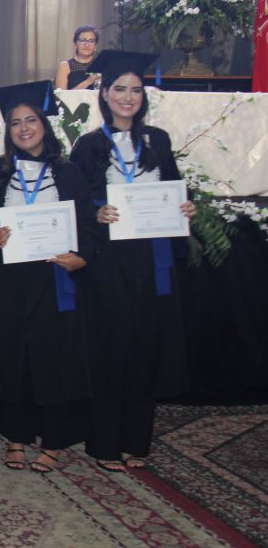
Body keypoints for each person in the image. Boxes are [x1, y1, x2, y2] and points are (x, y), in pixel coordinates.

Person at [68, 52, 195, 472]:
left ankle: (135, 440)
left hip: (151, 257)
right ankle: (105, 443)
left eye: (136, 90)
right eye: (119, 89)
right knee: (111, 347)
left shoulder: (158, 140)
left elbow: (174, 187)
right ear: (104, 94)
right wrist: (96, 211)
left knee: (145, 347)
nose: (128, 97)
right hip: (109, 260)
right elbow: (76, 201)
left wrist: (186, 206)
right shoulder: (89, 145)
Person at [0, 81, 97, 473]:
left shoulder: (68, 173)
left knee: (55, 360)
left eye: (31, 120)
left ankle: (54, 440)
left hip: (56, 279)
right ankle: (16, 436)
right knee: (12, 359)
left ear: (44, 125)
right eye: (16, 123)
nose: (24, 128)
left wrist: (82, 257)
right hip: (8, 281)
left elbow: (88, 224)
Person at [54, 26, 102, 90]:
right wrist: (88, 82)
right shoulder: (65, 66)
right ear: (76, 44)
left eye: (91, 41)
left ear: (95, 46)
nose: (87, 44)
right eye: (83, 40)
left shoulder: (101, 65)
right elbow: (61, 95)